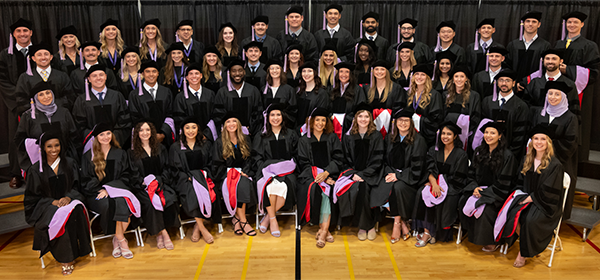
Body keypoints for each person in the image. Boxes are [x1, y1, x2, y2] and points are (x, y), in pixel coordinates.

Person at [496, 125, 563, 268]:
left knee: (530, 219)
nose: (539, 142)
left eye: (543, 139)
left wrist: (531, 198)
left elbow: (549, 191)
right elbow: (519, 182)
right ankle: (529, 244)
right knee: (511, 213)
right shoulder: (527, 159)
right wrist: (520, 196)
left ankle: (523, 252)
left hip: (545, 204)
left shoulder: (555, 165)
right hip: (526, 197)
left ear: (548, 142)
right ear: (531, 141)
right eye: (536, 138)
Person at [24, 133, 91, 275]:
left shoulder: (70, 163)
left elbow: (77, 186)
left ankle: (74, 252)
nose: (53, 149)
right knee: (59, 218)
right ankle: (66, 259)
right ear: (42, 148)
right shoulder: (35, 170)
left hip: (70, 202)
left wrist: (69, 197)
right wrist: (51, 202)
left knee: (74, 212)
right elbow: (32, 197)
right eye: (49, 146)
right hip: (46, 206)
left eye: (56, 145)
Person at [80, 123, 139, 259]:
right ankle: (121, 239)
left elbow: (126, 175)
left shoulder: (120, 153)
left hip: (119, 190)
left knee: (123, 202)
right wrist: (101, 189)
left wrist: (109, 188)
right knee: (107, 203)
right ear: (96, 137)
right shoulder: (89, 156)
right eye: (101, 134)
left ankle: (118, 239)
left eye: (108, 133)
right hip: (96, 193)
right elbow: (86, 180)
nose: (105, 137)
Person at [459, 122, 517, 252]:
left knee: (486, 208)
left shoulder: (507, 156)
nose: (488, 136)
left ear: (500, 136)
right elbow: (471, 174)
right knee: (463, 200)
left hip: (497, 193)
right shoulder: (479, 152)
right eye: (486, 132)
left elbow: (505, 181)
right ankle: (471, 234)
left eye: (492, 133)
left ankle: (492, 240)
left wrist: (485, 193)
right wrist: (474, 187)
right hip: (477, 189)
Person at [373, 109, 428, 243]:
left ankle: (396, 224)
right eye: (400, 120)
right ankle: (403, 222)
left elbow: (418, 167)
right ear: (395, 122)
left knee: (397, 188)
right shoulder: (390, 138)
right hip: (391, 173)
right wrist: (390, 174)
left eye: (406, 120)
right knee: (377, 189)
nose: (403, 123)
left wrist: (399, 175)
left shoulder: (418, 140)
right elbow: (384, 160)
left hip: (409, 179)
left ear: (411, 123)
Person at [413, 122, 469, 246]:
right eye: (443, 133)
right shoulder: (434, 150)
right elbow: (430, 169)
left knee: (445, 197)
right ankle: (427, 231)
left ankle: (436, 233)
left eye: (449, 134)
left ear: (455, 136)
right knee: (423, 193)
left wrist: (440, 185)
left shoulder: (461, 154)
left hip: (453, 185)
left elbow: (458, 177)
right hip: (435, 182)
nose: (445, 136)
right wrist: (434, 183)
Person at [554, 11, 599, 161]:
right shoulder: (558, 44)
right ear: (565, 25)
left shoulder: (589, 46)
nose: (572, 25)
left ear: (582, 24)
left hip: (579, 93)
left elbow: (594, 72)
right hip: (558, 92)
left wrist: (568, 69)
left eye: (575, 22)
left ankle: (575, 160)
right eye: (569, 22)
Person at [129, 120, 180, 249]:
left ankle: (164, 230)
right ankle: (162, 233)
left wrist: (160, 180)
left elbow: (167, 168)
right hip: (143, 187)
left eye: (147, 130)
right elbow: (133, 174)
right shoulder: (131, 153)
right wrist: (145, 184)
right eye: (141, 130)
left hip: (160, 183)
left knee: (170, 197)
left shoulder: (161, 148)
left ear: (152, 132)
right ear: (137, 134)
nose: (145, 133)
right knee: (151, 203)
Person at [296, 107, 343, 247]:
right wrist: (320, 175)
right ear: (311, 122)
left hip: (330, 174)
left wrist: (326, 173)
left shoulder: (332, 138)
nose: (320, 123)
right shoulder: (304, 140)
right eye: (317, 120)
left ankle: (323, 230)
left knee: (328, 189)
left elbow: (338, 159)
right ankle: (325, 230)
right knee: (323, 190)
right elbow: (303, 163)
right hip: (310, 176)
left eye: (323, 120)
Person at [531, 81, 578, 220]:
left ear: (563, 97)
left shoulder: (570, 118)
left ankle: (554, 220)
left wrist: (549, 154)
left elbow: (570, 142)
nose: (552, 97)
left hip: (560, 162)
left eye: (557, 94)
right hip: (538, 160)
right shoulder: (540, 114)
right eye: (550, 93)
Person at [337, 103, 384, 241]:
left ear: (370, 119)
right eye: (360, 116)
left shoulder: (376, 136)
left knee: (365, 188)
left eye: (366, 116)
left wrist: (363, 174)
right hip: (352, 174)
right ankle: (365, 226)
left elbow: (378, 159)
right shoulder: (349, 136)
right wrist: (353, 174)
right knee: (357, 188)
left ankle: (365, 226)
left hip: (372, 174)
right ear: (355, 119)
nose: (363, 119)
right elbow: (344, 159)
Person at [170, 117, 219, 243]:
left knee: (204, 191)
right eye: (187, 128)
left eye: (193, 127)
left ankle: (197, 226)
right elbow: (174, 169)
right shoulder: (176, 147)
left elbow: (210, 163)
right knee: (192, 192)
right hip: (185, 180)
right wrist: (188, 177)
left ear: (198, 129)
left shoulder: (206, 144)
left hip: (203, 178)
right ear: (182, 130)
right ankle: (203, 228)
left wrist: (200, 176)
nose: (190, 131)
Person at [253, 103, 299, 237]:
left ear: (283, 117)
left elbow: (296, 155)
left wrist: (287, 167)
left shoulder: (291, 134)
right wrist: (267, 169)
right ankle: (273, 221)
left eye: (278, 114)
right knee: (269, 187)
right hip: (267, 172)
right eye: (272, 115)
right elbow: (257, 157)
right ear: (267, 118)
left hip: (287, 172)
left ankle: (267, 218)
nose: (275, 118)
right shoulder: (262, 136)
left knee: (285, 186)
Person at [15, 82, 78, 175]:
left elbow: (73, 136)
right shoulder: (28, 116)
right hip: (39, 163)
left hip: (64, 160)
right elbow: (19, 140)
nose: (46, 97)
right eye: (41, 94)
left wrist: (70, 158)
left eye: (48, 93)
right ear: (35, 98)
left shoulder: (64, 112)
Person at [0, 18, 34, 188]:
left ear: (31, 33)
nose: (22, 34)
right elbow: (3, 80)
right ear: (13, 34)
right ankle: (15, 174)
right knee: (16, 138)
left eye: (25, 31)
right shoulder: (6, 54)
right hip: (16, 105)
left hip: (38, 103)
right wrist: (21, 100)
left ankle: (37, 172)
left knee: (37, 136)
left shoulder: (38, 52)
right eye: (19, 31)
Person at [213, 112, 256, 236]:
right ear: (224, 126)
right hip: (226, 175)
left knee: (242, 184)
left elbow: (249, 159)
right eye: (228, 122)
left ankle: (236, 219)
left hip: (243, 174)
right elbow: (217, 164)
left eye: (234, 121)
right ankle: (243, 220)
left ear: (238, 124)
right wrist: (231, 173)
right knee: (235, 185)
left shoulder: (246, 139)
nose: (231, 124)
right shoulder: (219, 142)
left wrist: (245, 172)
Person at [72, 65, 131, 147]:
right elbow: (79, 126)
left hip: (115, 143)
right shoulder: (81, 100)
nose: (98, 78)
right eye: (94, 76)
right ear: (89, 79)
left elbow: (124, 122)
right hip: (92, 145)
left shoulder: (117, 96)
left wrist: (112, 139)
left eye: (101, 75)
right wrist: (95, 140)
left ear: (106, 77)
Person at [481, 70, 529, 159]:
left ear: (514, 83)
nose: (504, 83)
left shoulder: (521, 106)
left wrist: (510, 154)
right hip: (488, 152)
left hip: (509, 154)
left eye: (507, 80)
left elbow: (520, 134)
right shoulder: (487, 102)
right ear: (497, 83)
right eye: (501, 80)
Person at [15, 43, 74, 113]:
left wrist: (52, 107)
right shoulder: (25, 77)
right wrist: (40, 108)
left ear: (51, 57)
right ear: (33, 58)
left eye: (46, 54)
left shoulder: (62, 76)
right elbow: (21, 100)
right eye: (39, 55)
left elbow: (70, 98)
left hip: (59, 115)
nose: (43, 57)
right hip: (36, 119)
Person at [128, 60, 175, 146]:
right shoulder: (134, 94)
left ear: (158, 73)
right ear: (142, 74)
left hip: (164, 138)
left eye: (154, 71)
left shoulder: (166, 92)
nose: (151, 74)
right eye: (147, 71)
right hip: (144, 138)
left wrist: (163, 133)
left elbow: (170, 114)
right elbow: (134, 117)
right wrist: (149, 135)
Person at [523, 49, 580, 117]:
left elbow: (574, 110)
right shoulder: (535, 83)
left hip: (560, 125)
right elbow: (525, 106)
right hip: (537, 123)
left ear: (561, 61)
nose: (550, 61)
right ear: (543, 60)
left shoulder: (569, 84)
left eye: (554, 59)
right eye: (547, 58)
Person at [214, 59, 263, 137]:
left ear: (244, 72)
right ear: (229, 73)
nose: (237, 73)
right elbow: (219, 115)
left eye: (240, 70)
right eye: (234, 71)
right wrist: (231, 130)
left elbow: (257, 113)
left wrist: (249, 130)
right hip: (229, 135)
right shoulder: (222, 92)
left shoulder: (253, 90)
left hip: (250, 135)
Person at [173, 63, 217, 141]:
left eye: (196, 73)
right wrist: (193, 134)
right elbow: (179, 119)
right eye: (191, 74)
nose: (194, 76)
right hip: (189, 137)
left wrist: (206, 134)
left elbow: (215, 116)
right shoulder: (180, 97)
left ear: (201, 76)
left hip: (208, 138)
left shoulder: (210, 94)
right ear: (186, 78)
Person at [443, 65, 481, 155]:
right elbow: (443, 114)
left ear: (466, 79)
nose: (459, 79)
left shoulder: (474, 96)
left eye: (462, 76)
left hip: (467, 134)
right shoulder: (445, 95)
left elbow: (476, 116)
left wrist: (464, 129)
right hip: (448, 133)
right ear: (452, 79)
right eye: (456, 76)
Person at [506, 11, 551, 83]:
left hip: (535, 86)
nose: (530, 24)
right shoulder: (513, 45)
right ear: (523, 23)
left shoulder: (545, 45)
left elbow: (545, 68)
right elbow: (507, 67)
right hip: (514, 85)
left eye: (534, 22)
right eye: (528, 21)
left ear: (539, 24)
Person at [365, 60, 407, 137]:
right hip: (371, 127)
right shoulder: (368, 89)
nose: (379, 72)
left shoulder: (396, 88)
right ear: (373, 72)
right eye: (376, 69)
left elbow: (399, 108)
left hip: (391, 127)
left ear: (387, 72)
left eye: (382, 69)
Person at [406, 64, 444, 147]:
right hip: (409, 133)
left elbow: (436, 119)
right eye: (417, 74)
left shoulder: (434, 95)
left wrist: (419, 119)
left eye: (423, 75)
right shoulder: (409, 94)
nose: (419, 77)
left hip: (425, 136)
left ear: (427, 78)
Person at [330, 62, 366, 138]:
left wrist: (345, 118)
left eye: (347, 72)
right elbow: (327, 107)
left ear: (351, 75)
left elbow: (360, 109)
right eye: (341, 71)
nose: (344, 74)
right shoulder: (332, 89)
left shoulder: (357, 90)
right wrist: (332, 117)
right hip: (332, 126)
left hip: (349, 127)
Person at [295, 61, 330, 133]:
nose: (306, 74)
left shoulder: (322, 93)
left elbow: (321, 115)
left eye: (309, 71)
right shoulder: (298, 92)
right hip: (298, 130)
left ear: (315, 73)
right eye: (304, 71)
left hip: (314, 131)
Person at [261, 59, 297, 128]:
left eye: (277, 68)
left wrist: (279, 121)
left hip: (284, 127)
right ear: (268, 71)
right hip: (267, 127)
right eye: (272, 68)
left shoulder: (289, 90)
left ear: (281, 70)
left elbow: (293, 111)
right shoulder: (264, 90)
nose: (274, 71)